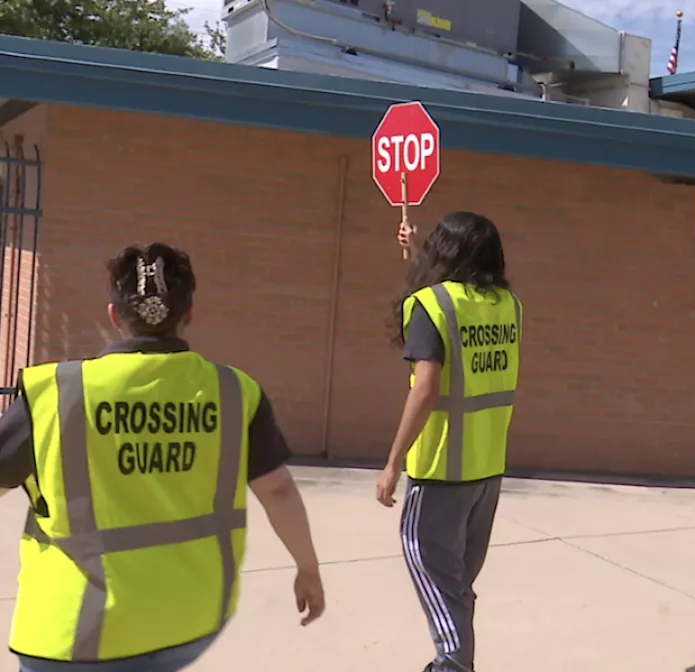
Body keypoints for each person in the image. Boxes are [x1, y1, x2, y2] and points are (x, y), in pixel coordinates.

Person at [0, 243, 326, 672]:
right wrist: (308, 569)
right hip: (190, 623)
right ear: (188, 313)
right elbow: (278, 489)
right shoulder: (233, 392)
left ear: (115, 315)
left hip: (77, 635)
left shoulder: (57, 393)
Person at [378, 212, 523, 672]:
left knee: (433, 572)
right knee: (456, 584)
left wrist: (393, 462)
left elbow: (426, 386)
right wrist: (415, 251)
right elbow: (449, 301)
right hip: (486, 471)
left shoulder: (431, 304)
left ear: (445, 253)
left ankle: (453, 665)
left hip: (441, 469)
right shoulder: (506, 305)